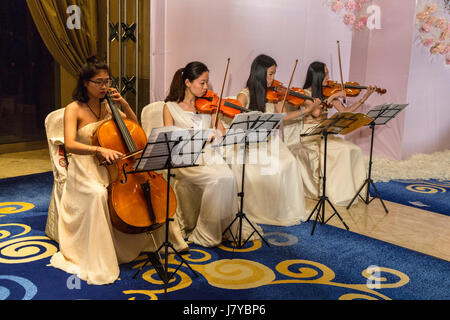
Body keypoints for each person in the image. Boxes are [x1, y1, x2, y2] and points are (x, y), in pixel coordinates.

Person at [49, 56, 187, 285]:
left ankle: (151, 241)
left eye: (107, 81)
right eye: (98, 82)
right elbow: (70, 144)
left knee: (153, 187)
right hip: (86, 168)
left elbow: (135, 129)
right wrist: (97, 149)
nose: (104, 86)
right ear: (85, 83)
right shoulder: (74, 109)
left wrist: (124, 104)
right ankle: (102, 254)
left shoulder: (109, 106)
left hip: (116, 166)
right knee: (98, 194)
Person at [162, 61, 257, 247]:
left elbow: (221, 133)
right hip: (186, 159)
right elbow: (170, 140)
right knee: (217, 179)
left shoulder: (209, 105)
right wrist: (201, 136)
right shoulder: (170, 107)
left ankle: (216, 228)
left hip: (210, 155)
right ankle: (205, 234)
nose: (206, 88)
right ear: (188, 82)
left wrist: (222, 132)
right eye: (202, 83)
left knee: (228, 177)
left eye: (207, 83)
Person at [233, 54, 310, 226]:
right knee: (278, 167)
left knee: (290, 162)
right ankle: (271, 211)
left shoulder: (272, 94)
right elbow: (237, 126)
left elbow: (284, 116)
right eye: (271, 74)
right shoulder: (244, 96)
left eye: (274, 74)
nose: (274, 79)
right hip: (251, 147)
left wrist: (307, 109)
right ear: (260, 73)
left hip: (271, 142)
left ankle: (287, 209)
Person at [288, 61, 376, 206]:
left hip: (325, 134)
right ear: (317, 76)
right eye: (326, 73)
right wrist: (331, 97)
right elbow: (316, 112)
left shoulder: (328, 92)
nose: (329, 76)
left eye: (328, 72)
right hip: (309, 136)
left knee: (354, 149)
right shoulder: (304, 94)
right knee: (341, 151)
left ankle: (355, 191)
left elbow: (345, 111)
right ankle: (338, 193)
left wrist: (363, 98)